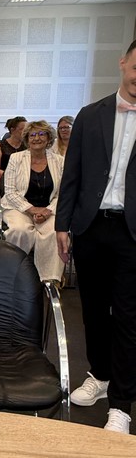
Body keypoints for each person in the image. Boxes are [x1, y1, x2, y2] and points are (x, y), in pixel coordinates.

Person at [56, 40, 136, 434]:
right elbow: (72, 174)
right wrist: (62, 224)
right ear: (123, 63)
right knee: (91, 310)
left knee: (128, 317)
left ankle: (121, 404)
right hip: (90, 226)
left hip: (132, 232)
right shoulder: (91, 115)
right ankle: (100, 375)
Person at [0, 120, 65, 283]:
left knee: (54, 232)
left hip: (49, 208)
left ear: (48, 138)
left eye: (41, 134)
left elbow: (63, 193)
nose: (37, 138)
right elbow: (10, 192)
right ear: (27, 139)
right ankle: (13, 274)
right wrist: (32, 209)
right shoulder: (16, 158)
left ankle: (49, 279)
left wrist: (48, 210)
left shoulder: (59, 161)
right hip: (18, 207)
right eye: (32, 135)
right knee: (20, 230)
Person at [0, 116, 26, 195]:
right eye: (22, 129)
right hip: (1, 178)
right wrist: (14, 177)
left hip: (21, 179)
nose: (25, 132)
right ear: (12, 130)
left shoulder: (27, 146)